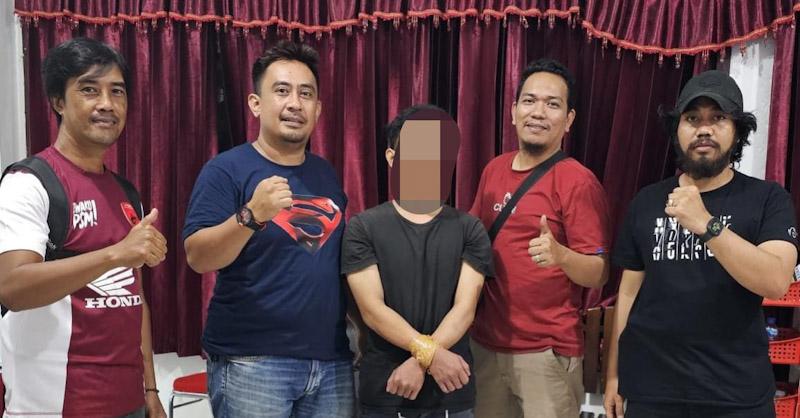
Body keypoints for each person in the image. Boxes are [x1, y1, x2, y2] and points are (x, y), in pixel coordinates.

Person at [604, 70, 799, 418]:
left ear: (738, 130)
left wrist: (706, 225)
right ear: (677, 129)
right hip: (653, 393)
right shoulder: (646, 201)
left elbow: (776, 281)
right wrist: (615, 375)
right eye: (692, 118)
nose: (704, 129)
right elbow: (629, 294)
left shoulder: (768, 198)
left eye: (718, 118)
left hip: (736, 396)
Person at [182, 40, 353, 417]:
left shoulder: (325, 172)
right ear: (255, 103)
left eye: (305, 94)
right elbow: (198, 256)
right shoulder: (226, 169)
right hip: (253, 360)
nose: (295, 103)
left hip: (331, 360)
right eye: (282, 91)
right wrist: (251, 215)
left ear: (318, 108)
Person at [0, 38, 167, 418]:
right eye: (89, 90)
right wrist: (114, 254)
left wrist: (150, 388)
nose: (107, 103)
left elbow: (133, 296)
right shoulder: (29, 183)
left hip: (129, 403)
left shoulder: (126, 192)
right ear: (58, 101)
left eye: (117, 91)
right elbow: (12, 288)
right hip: (52, 407)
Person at [469, 58, 610, 418]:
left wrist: (561, 256)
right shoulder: (493, 170)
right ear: (513, 111)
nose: (538, 112)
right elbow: (473, 242)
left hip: (546, 353)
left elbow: (599, 272)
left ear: (569, 119)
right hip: (485, 346)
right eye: (529, 101)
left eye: (552, 104)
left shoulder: (578, 181)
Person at [343, 105, 493, 417]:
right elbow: (372, 310)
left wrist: (421, 360)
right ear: (391, 157)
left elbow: (465, 309)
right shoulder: (363, 227)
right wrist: (431, 355)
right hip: (386, 388)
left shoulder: (470, 228)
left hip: (451, 388)